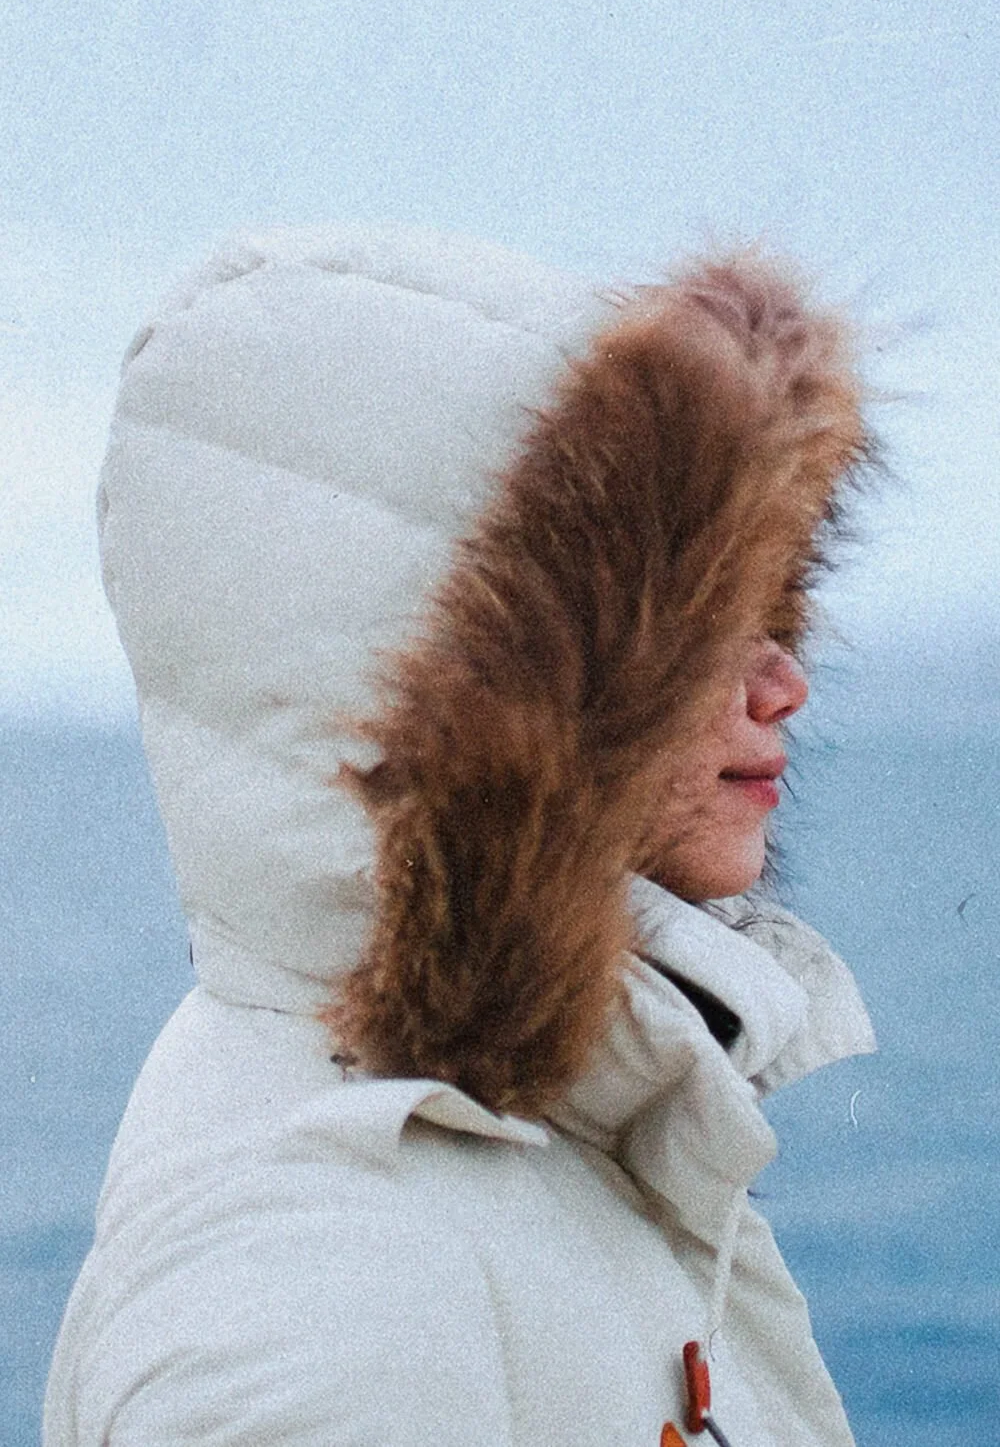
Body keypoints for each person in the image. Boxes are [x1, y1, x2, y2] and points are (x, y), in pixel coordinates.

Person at [45, 225, 877, 1446]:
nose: (783, 682)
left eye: (771, 606)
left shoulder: (513, 1121)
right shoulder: (320, 1298)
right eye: (696, 621)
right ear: (489, 694)